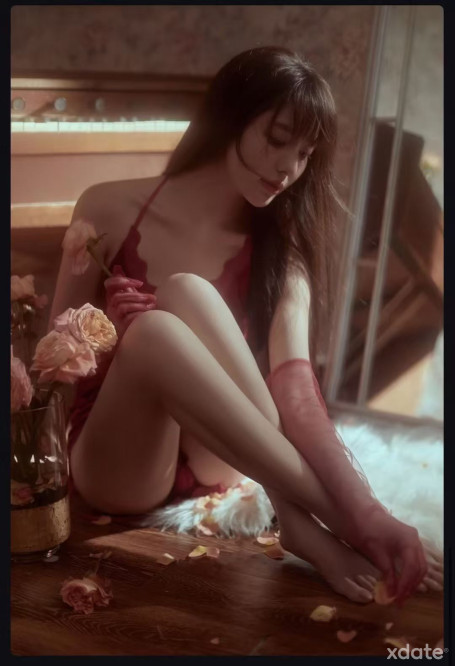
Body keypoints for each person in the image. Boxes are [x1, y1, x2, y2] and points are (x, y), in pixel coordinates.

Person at [50, 46, 443, 605]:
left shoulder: (284, 250)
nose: (288, 168)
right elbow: (52, 372)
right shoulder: (107, 208)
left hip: (223, 461)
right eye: (277, 139)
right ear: (231, 116)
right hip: (122, 465)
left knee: (187, 291)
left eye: (304, 154)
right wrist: (109, 333)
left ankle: (310, 518)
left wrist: (366, 501)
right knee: (156, 330)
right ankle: (331, 521)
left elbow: (296, 392)